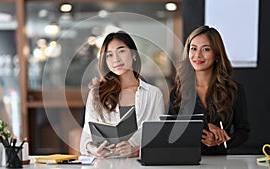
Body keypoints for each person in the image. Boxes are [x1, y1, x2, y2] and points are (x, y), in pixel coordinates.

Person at [80, 31, 165, 157]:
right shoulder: (96, 94)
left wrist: (136, 150)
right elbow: (86, 137)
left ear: (134, 54)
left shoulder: (153, 94)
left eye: (121, 51)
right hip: (107, 164)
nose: (116, 59)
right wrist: (93, 149)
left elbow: (159, 138)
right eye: (109, 55)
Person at [168, 25, 250, 155]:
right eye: (193, 49)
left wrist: (223, 141)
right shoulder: (178, 93)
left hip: (220, 163)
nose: (198, 55)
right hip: (186, 162)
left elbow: (243, 132)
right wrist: (202, 127)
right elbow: (170, 132)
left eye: (206, 49)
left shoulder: (234, 90)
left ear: (217, 54)